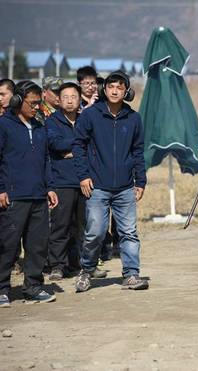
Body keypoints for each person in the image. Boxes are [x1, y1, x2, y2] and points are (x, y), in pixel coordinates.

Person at [73, 71, 148, 292]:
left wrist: (140, 181)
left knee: (128, 233)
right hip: (97, 186)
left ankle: (131, 275)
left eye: (120, 87)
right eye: (111, 86)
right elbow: (78, 146)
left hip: (125, 187)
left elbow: (137, 151)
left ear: (127, 92)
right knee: (95, 231)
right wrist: (83, 175)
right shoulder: (90, 115)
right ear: (103, 90)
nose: (115, 90)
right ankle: (86, 271)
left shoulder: (133, 118)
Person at [0, 81, 59, 307]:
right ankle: (2, 288)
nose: (36, 107)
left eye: (38, 103)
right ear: (17, 101)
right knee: (8, 244)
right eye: (32, 103)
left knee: (37, 245)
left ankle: (33, 287)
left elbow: (46, 159)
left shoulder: (41, 127)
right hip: (13, 197)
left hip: (38, 195)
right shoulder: (4, 126)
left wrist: (50, 187)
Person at [45, 82, 86, 281]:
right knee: (60, 226)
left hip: (84, 181)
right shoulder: (52, 121)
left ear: (80, 100)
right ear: (58, 101)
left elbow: (92, 144)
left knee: (80, 227)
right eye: (65, 97)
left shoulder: (85, 120)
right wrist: (79, 144)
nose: (70, 101)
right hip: (61, 182)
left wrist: (71, 152)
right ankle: (57, 266)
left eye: (74, 97)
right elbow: (55, 143)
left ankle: (75, 264)